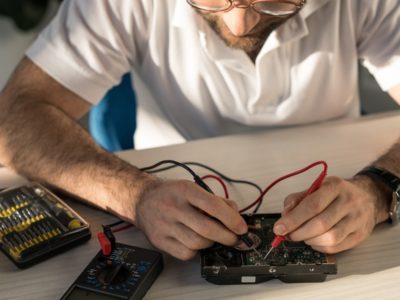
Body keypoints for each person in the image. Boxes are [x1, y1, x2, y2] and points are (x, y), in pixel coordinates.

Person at [0, 0, 399, 261]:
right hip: (164, 223)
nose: (239, 22)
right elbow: (13, 120)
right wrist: (135, 195)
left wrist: (380, 189)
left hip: (344, 216)